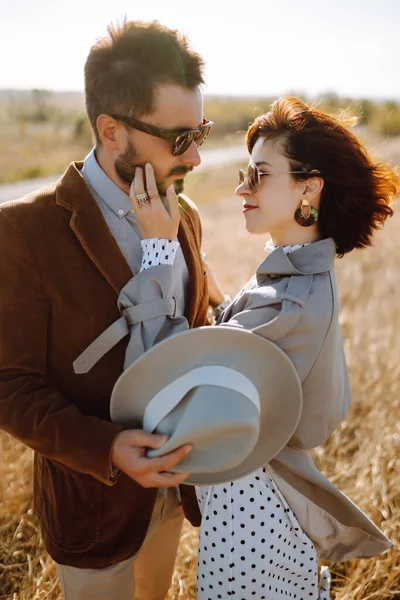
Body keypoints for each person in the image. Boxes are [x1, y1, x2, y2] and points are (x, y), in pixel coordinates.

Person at [106, 96, 398, 599]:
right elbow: (240, 346)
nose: (243, 187)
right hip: (256, 506)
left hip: (250, 519)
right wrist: (216, 296)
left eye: (260, 175)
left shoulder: (293, 300)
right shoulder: (294, 272)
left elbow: (178, 391)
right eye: (245, 171)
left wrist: (158, 247)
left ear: (309, 187)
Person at [0, 19, 226, 600]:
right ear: (111, 131)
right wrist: (108, 450)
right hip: (92, 507)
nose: (197, 156)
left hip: (178, 491)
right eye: (180, 139)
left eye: (200, 131)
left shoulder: (188, 217)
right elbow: (9, 387)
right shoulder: (24, 230)